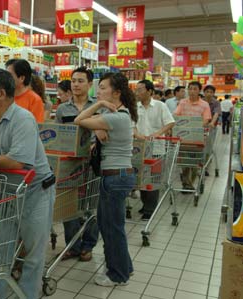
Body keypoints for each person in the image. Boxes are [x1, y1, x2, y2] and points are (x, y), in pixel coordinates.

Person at [0, 68, 55, 299]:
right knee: (0, 249)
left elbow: (17, 161)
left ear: (1, 94)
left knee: (33, 252)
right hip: (6, 191)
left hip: (36, 190)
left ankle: (28, 295)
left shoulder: (23, 118)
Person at [74, 72, 137, 286]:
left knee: (112, 228)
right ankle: (125, 268)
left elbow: (79, 119)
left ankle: (117, 275)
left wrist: (98, 104)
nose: (98, 92)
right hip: (118, 176)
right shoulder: (120, 115)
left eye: (102, 88)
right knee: (110, 224)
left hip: (115, 176)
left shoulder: (116, 117)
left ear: (116, 93)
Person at [55, 67, 99, 262]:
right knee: (68, 205)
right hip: (69, 164)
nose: (75, 84)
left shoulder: (98, 107)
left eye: (80, 81)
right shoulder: (63, 109)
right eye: (73, 81)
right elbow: (56, 135)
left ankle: (88, 246)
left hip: (93, 162)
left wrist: (94, 145)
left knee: (91, 204)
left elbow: (106, 132)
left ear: (90, 84)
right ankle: (73, 245)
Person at [133, 80, 175, 221]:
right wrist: (137, 135)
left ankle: (150, 209)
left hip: (157, 148)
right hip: (139, 148)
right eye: (136, 89)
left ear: (150, 91)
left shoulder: (160, 106)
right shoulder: (134, 107)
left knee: (153, 180)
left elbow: (170, 122)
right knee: (141, 178)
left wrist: (157, 134)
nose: (137, 92)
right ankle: (146, 205)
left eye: (140, 89)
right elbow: (131, 124)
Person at [175, 81, 212, 190]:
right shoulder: (182, 102)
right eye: (190, 89)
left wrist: (194, 127)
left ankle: (188, 182)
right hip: (183, 137)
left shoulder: (204, 105)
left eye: (194, 89)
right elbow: (176, 115)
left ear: (199, 91)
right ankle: (187, 184)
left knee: (195, 163)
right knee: (185, 161)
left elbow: (206, 120)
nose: (192, 91)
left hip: (197, 138)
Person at [5, 59, 45, 123]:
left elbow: (36, 127)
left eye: (9, 75)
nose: (5, 78)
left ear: (22, 78)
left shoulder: (35, 100)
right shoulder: (4, 97)